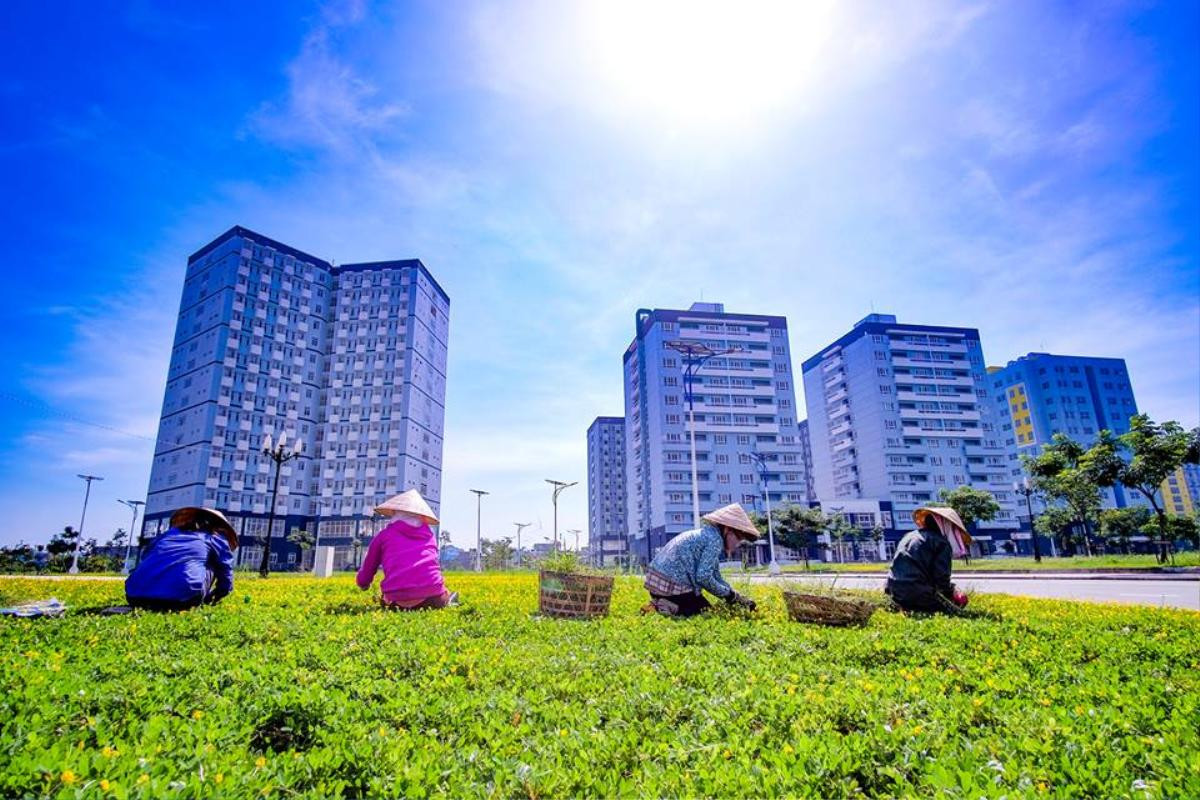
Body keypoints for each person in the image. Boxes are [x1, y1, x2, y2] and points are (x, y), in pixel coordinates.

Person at [643, 503, 760, 617]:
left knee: (705, 607)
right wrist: (730, 596)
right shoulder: (715, 541)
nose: (737, 544)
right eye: (738, 538)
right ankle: (662, 606)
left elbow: (715, 575)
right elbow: (703, 577)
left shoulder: (708, 535)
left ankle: (661, 601)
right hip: (671, 587)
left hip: (656, 584)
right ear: (728, 530)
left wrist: (734, 595)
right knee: (705, 612)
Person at [357, 489, 455, 610]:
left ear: (394, 513)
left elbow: (369, 566)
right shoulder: (430, 536)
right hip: (433, 599)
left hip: (395, 603)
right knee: (444, 593)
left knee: (384, 598)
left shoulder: (384, 535)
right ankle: (449, 599)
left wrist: (363, 583)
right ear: (422, 516)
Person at [125, 507, 237, 611]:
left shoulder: (167, 535)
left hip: (134, 597)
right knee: (214, 562)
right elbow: (226, 574)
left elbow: (146, 556)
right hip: (181, 600)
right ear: (217, 527)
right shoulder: (214, 538)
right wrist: (215, 596)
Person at [885, 506, 971, 613]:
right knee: (955, 609)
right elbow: (941, 579)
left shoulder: (908, 536)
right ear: (945, 525)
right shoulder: (941, 542)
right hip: (917, 592)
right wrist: (951, 594)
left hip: (893, 591)